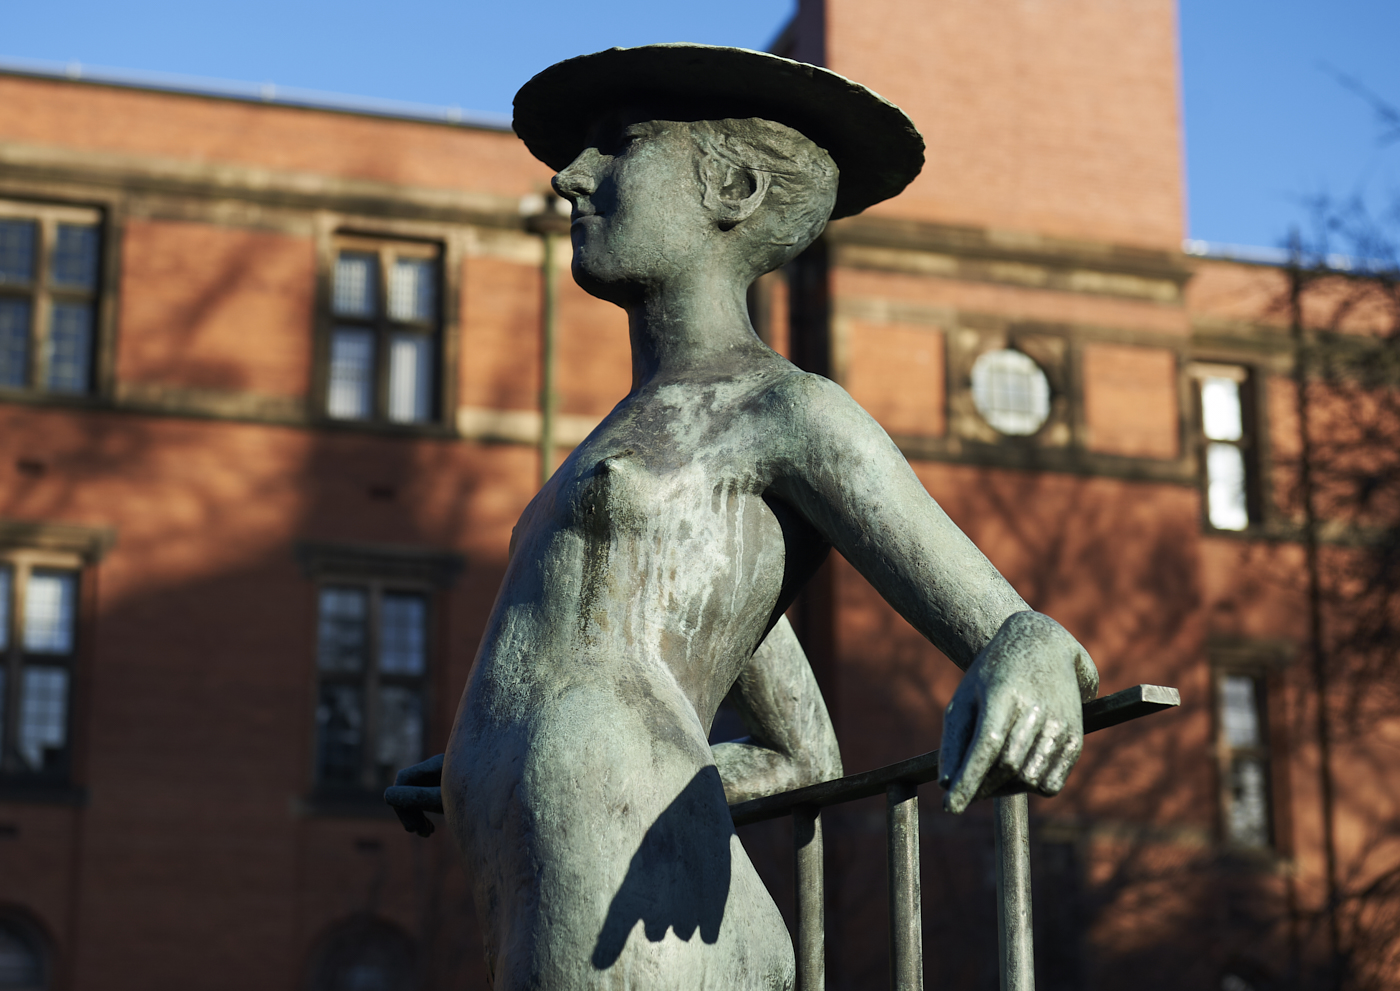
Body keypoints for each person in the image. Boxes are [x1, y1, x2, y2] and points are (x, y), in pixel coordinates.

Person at [437, 44, 1098, 991]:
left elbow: (1015, 630)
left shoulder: (784, 411)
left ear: (736, 189)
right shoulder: (626, 439)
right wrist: (490, 740)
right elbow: (798, 751)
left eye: (620, 146)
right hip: (574, 863)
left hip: (629, 890)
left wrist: (1032, 657)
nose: (570, 178)